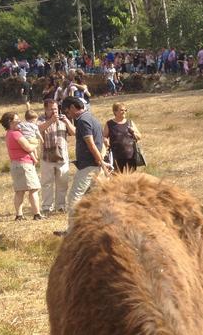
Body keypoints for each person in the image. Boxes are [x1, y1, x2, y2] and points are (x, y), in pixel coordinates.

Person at [59, 96, 111, 233]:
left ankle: (72, 231)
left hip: (88, 166)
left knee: (74, 198)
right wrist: (101, 162)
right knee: (97, 198)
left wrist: (101, 163)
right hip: (95, 165)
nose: (67, 115)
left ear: (72, 107)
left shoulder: (82, 121)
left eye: (67, 111)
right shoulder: (92, 118)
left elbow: (91, 144)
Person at [0, 110, 43, 221]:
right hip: (25, 164)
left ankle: (19, 215)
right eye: (17, 120)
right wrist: (36, 143)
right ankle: (37, 214)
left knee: (19, 191)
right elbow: (28, 147)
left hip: (15, 164)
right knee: (33, 189)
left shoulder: (9, 134)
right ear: (10, 121)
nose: (19, 122)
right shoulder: (16, 134)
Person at [37, 97, 75, 214]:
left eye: (56, 109)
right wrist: (51, 121)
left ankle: (60, 206)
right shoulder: (41, 119)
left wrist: (67, 122)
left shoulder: (65, 118)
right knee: (47, 183)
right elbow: (39, 129)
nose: (54, 112)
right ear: (45, 109)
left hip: (62, 156)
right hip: (47, 157)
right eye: (51, 109)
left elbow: (73, 132)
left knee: (62, 183)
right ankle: (47, 206)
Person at [103, 101, 143, 173]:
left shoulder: (130, 122)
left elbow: (139, 136)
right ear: (115, 112)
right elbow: (104, 136)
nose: (124, 112)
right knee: (117, 179)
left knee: (130, 179)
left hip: (130, 157)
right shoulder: (109, 124)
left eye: (125, 110)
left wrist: (133, 131)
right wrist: (105, 140)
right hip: (116, 158)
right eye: (121, 110)